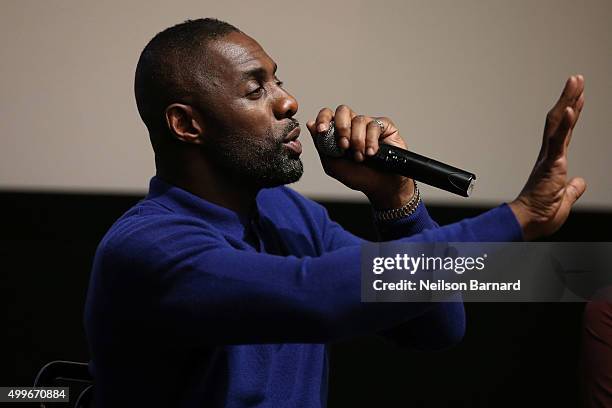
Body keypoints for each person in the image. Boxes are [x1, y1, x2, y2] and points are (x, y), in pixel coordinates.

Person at [84, 18, 586, 407]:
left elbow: (434, 326)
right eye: (256, 90)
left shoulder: (285, 213)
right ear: (186, 124)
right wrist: (517, 217)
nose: (289, 102)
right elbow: (316, 295)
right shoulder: (149, 247)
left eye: (278, 81)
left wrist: (397, 201)